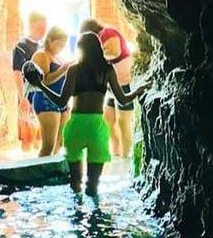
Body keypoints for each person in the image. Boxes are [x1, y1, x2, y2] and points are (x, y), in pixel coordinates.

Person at [27, 31, 142, 195]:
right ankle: (95, 218)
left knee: (75, 185)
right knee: (93, 187)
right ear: (98, 48)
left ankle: (77, 215)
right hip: (96, 127)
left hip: (76, 126)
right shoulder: (107, 70)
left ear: (80, 49)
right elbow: (123, 100)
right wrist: (139, 90)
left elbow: (61, 101)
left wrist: (41, 85)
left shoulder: (74, 70)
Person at [78, 17, 136, 159]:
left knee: (123, 121)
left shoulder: (107, 33)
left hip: (124, 81)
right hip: (112, 84)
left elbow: (115, 52)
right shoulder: (100, 40)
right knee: (108, 119)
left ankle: (126, 154)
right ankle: (116, 150)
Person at [29, 25, 72, 156]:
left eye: (64, 44)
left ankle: (53, 173)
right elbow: (43, 81)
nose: (62, 47)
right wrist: (64, 69)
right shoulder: (41, 55)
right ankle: (40, 174)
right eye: (60, 43)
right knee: (48, 146)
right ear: (49, 40)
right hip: (46, 100)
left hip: (60, 102)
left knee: (59, 143)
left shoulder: (57, 57)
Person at [12, 11, 47, 150]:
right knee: (28, 137)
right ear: (31, 26)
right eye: (40, 27)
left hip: (40, 96)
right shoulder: (21, 46)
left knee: (40, 135)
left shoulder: (42, 47)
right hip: (27, 97)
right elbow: (16, 72)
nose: (43, 31)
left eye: (45, 27)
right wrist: (23, 98)